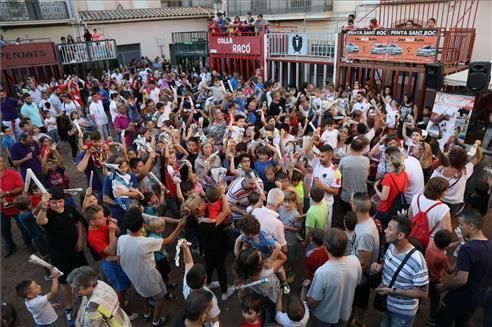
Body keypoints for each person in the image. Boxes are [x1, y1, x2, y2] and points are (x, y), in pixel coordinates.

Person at [117, 207, 185, 326]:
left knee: (143, 294)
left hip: (134, 277)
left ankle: (147, 313)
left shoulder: (122, 239)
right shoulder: (145, 242)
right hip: (149, 277)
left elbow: (119, 258)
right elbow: (168, 241)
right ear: (142, 225)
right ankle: (156, 321)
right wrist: (179, 227)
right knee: (160, 297)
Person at [35, 187, 89, 326]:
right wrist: (43, 205)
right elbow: (40, 221)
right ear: (49, 203)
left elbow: (78, 222)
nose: (58, 205)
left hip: (76, 251)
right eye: (54, 202)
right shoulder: (48, 214)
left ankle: (85, 298)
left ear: (64, 200)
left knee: (81, 275)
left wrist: (80, 240)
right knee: (64, 283)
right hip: (59, 255)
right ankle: (69, 308)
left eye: (60, 201)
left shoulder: (70, 209)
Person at [435, 209, 492, 326]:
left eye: (461, 224)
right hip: (478, 296)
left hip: (460, 296)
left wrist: (444, 286)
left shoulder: (467, 249)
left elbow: (461, 279)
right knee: (461, 322)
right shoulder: (490, 245)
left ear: (471, 226)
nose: (460, 228)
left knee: (443, 321)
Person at [370, 215, 429, 327]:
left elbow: (423, 293)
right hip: (386, 304)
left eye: (390, 229)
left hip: (402, 312)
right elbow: (387, 262)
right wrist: (379, 267)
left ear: (401, 235)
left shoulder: (417, 261)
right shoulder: (391, 246)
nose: (385, 231)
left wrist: (393, 291)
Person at [305, 228, 362, 326]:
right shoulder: (355, 261)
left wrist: (305, 290)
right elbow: (357, 282)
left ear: (326, 247)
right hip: (345, 313)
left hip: (323, 318)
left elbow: (313, 301)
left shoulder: (322, 272)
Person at [350, 192, 380, 327]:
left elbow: (363, 262)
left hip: (361, 278)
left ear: (355, 208)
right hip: (359, 273)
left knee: (360, 299)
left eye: (351, 203)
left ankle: (359, 322)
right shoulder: (365, 221)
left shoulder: (365, 233)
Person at [235, 247, 287, 323]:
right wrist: (272, 246)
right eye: (261, 257)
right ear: (257, 266)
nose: (262, 255)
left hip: (256, 293)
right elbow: (283, 258)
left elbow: (241, 296)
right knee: (270, 312)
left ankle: (261, 320)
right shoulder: (266, 272)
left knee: (261, 309)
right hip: (271, 296)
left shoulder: (243, 274)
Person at [66, 266, 131, 326]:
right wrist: (77, 319)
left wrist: (77, 324)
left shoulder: (92, 309)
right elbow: (84, 304)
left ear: (89, 285)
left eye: (77, 289)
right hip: (122, 320)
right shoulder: (99, 283)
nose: (73, 292)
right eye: (72, 288)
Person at [431, 145, 482, 217]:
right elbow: (478, 157)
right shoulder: (464, 172)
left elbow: (430, 183)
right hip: (454, 204)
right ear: (463, 162)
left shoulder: (439, 170)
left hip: (438, 200)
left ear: (448, 159)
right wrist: (478, 145)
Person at [180, 240, 222, 325]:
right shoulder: (208, 298)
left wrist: (185, 248)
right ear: (205, 279)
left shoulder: (186, 286)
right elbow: (215, 320)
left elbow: (188, 262)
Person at [0, 155, 33, 257]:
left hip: (17, 206)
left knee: (23, 226)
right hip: (2, 208)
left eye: (0, 161)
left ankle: (29, 243)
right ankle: (10, 246)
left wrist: (7, 193)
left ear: (4, 162)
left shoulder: (13, 174)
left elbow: (21, 188)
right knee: (4, 229)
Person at [306, 143, 341, 228]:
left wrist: (323, 187)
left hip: (325, 205)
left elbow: (336, 192)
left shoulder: (336, 172)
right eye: (319, 156)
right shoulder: (317, 163)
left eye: (323, 157)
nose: (320, 158)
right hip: (313, 201)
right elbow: (307, 150)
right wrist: (313, 138)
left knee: (323, 228)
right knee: (311, 226)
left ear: (330, 156)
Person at [408, 177, 452, 243]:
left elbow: (410, 215)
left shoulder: (416, 197)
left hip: (413, 234)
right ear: (439, 193)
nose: (448, 191)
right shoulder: (443, 208)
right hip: (430, 241)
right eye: (445, 190)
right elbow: (447, 231)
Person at [424, 229, 454, 326]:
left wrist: (458, 243)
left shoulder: (430, 243)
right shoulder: (442, 257)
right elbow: (449, 271)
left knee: (421, 293)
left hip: (425, 276)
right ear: (446, 245)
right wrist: (457, 262)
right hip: (435, 280)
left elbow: (443, 246)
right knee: (435, 302)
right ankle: (432, 320)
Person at [374, 147, 408, 228]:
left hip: (385, 210)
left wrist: (375, 187)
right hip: (396, 209)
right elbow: (404, 191)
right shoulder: (405, 174)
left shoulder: (388, 177)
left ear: (390, 161)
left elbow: (383, 197)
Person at [338, 137, 370, 213]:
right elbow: (367, 174)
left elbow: (339, 175)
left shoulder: (344, 160)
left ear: (351, 148)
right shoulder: (366, 160)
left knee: (347, 217)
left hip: (347, 195)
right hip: (361, 196)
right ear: (362, 149)